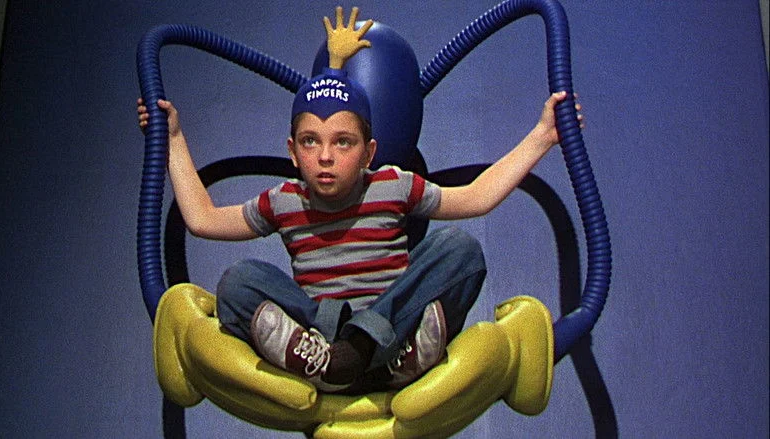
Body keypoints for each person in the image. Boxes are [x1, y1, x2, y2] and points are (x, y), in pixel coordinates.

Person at [137, 6, 583, 394]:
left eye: (343, 143)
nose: (325, 157)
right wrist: (173, 138)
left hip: (392, 333)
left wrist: (543, 136)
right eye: (310, 142)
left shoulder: (393, 185)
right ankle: (325, 361)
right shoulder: (285, 200)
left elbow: (477, 197)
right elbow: (203, 219)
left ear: (369, 153)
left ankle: (375, 351)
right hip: (323, 339)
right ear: (292, 152)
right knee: (239, 282)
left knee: (460, 251)